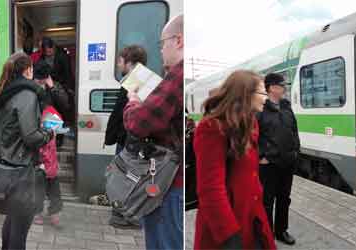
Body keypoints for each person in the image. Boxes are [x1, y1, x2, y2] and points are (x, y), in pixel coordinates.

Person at [193, 70, 277, 249]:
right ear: (246, 93)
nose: (266, 98)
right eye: (263, 93)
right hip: (226, 224)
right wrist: (229, 237)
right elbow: (210, 188)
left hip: (252, 215)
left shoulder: (250, 123)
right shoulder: (212, 128)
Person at [122, 14, 184, 249]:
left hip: (167, 183)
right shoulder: (175, 76)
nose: (161, 50)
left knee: (163, 242)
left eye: (162, 43)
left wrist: (134, 100)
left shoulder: (177, 75)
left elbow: (139, 123)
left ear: (178, 40)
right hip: (169, 178)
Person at [0, 52, 53, 250]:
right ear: (28, 70)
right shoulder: (26, 94)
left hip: (8, 164)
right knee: (21, 225)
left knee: (13, 219)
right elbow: (31, 136)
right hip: (22, 168)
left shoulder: (6, 92)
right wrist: (48, 134)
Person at [105, 45, 146, 229]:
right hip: (131, 140)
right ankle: (124, 213)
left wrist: (114, 135)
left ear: (129, 62)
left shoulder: (134, 81)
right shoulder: (141, 79)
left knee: (123, 177)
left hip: (128, 141)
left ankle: (122, 214)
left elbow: (123, 113)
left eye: (120, 61)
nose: (118, 64)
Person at [256, 72, 300, 245]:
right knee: (267, 201)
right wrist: (261, 157)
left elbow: (294, 131)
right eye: (282, 85)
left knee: (284, 199)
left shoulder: (287, 107)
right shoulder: (260, 110)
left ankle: (281, 230)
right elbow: (254, 136)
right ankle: (268, 235)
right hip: (269, 165)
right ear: (272, 88)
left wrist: (296, 151)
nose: (285, 88)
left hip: (287, 162)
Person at [31, 62, 67, 227]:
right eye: (38, 80)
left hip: (51, 141)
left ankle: (54, 213)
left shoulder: (53, 88)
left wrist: (53, 88)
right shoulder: (29, 90)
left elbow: (65, 106)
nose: (40, 83)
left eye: (42, 80)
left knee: (53, 180)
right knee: (38, 181)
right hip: (35, 141)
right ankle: (37, 212)